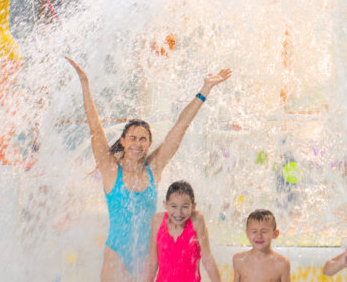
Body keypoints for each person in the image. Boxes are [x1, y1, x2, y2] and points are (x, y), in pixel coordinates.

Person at [67, 57, 230, 281]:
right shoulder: (111, 170)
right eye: (132, 138)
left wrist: (205, 90)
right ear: (122, 141)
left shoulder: (154, 167)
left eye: (143, 139)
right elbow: (95, 128)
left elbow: (180, 127)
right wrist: (85, 84)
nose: (138, 143)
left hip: (149, 257)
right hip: (116, 253)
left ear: (149, 144)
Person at [143, 181, 222, 282]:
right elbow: (152, 261)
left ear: (193, 206)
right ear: (165, 205)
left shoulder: (197, 220)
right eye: (173, 206)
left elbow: (207, 258)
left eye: (185, 207)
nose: (178, 213)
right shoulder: (157, 221)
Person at [232, 209, 291, 282]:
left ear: (275, 234)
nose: (259, 236)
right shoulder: (239, 260)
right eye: (254, 231)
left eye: (264, 232)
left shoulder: (282, 263)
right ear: (247, 233)